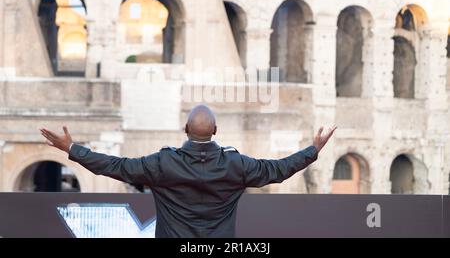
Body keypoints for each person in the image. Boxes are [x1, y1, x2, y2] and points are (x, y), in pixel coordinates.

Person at [40, 104, 336, 238]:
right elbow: (279, 170)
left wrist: (73, 149)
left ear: (185, 129)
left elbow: (115, 167)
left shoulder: (162, 163)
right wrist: (313, 150)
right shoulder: (237, 164)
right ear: (216, 131)